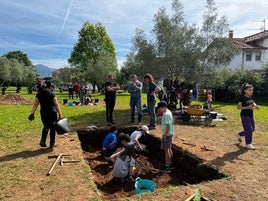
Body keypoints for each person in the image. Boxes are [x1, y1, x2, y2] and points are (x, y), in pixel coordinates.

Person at [28, 80, 63, 148]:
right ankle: (52, 143)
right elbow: (56, 104)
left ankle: (43, 141)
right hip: (52, 112)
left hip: (43, 112)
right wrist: (60, 113)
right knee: (53, 127)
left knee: (46, 126)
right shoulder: (52, 93)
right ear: (50, 86)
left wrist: (32, 113)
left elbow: (36, 104)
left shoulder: (39, 94)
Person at [237, 83, 260, 150]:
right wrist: (247, 107)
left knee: (252, 129)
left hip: (250, 115)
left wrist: (256, 106)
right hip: (244, 115)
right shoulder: (242, 97)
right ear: (245, 91)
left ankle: (240, 134)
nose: (251, 91)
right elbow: (238, 107)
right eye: (250, 90)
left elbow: (253, 103)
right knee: (249, 129)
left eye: (252, 90)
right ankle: (248, 144)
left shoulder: (251, 97)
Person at [157, 101, 175, 173]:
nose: (159, 110)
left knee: (166, 150)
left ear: (164, 107)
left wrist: (165, 135)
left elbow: (168, 126)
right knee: (169, 148)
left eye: (160, 108)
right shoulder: (168, 112)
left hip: (167, 135)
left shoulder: (167, 114)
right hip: (169, 134)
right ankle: (170, 164)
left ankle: (167, 166)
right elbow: (172, 121)